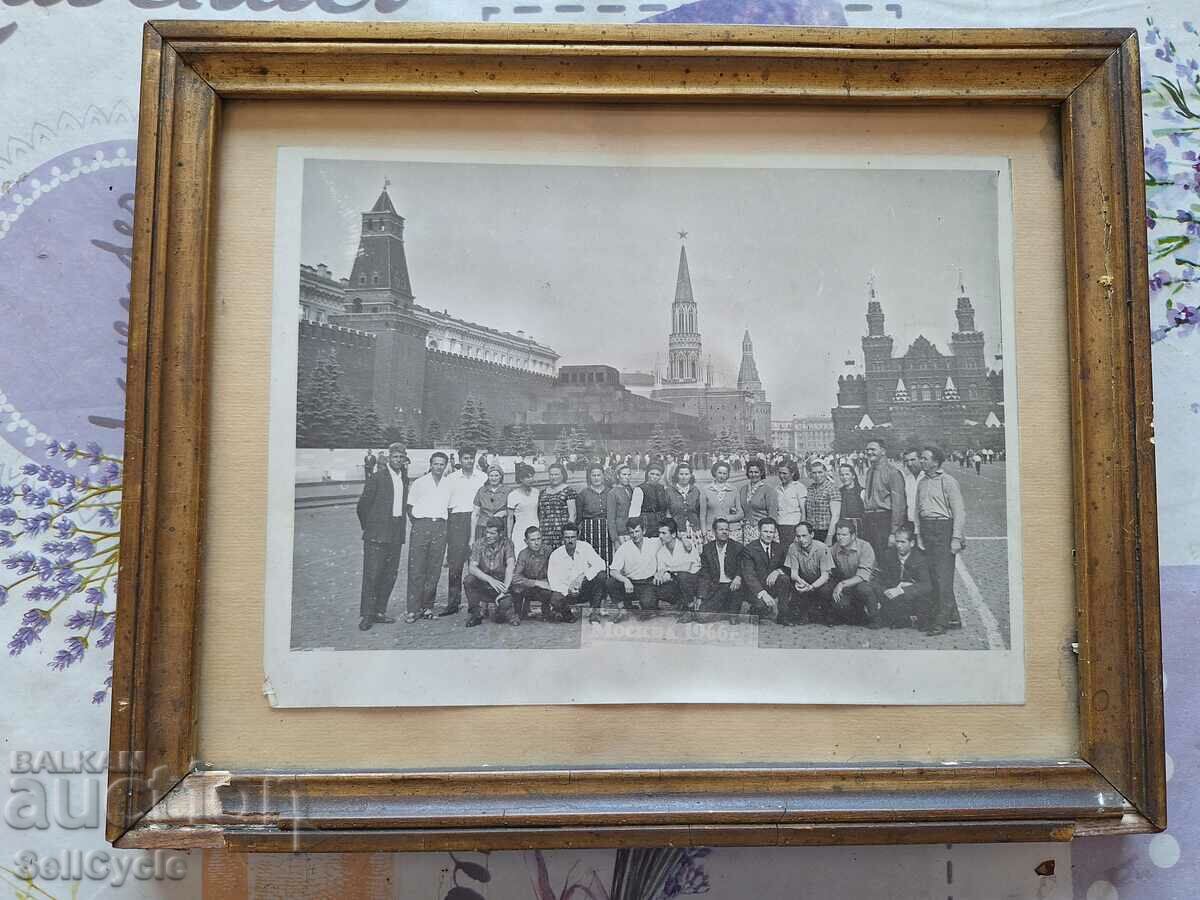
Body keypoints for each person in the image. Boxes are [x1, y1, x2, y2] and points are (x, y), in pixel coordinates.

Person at [355, 442, 409, 632]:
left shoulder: (404, 479)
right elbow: (362, 506)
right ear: (388, 457)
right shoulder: (377, 477)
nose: (398, 460)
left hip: (396, 533)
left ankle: (380, 611)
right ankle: (367, 615)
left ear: (405, 459)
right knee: (372, 574)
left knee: (389, 574)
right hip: (376, 534)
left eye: (401, 457)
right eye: (395, 457)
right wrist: (370, 528)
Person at [915, 445, 967, 635]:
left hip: (943, 529)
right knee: (933, 576)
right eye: (921, 458)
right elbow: (917, 510)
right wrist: (919, 534)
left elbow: (959, 512)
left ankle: (940, 622)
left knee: (943, 577)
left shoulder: (948, 481)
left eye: (925, 458)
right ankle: (953, 618)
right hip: (927, 530)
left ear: (936, 462)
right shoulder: (922, 482)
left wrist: (955, 538)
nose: (921, 461)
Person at [404, 450, 453, 623]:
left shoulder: (449, 484)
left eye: (442, 464)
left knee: (434, 569)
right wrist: (419, 524)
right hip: (421, 526)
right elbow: (409, 507)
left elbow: (450, 508)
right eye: (436, 463)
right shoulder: (419, 483)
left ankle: (427, 607)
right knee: (417, 568)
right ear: (430, 465)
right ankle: (412, 609)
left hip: (440, 527)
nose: (438, 467)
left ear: (445, 466)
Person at [440, 445, 487, 617]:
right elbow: (445, 502)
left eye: (471, 458)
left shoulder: (483, 477)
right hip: (457, 520)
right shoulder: (451, 478)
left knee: (477, 563)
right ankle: (453, 603)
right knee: (455, 564)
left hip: (478, 519)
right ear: (460, 460)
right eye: (466, 458)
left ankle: (476, 604)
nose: (469, 461)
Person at [511, 525, 579, 623]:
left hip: (546, 585)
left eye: (539, 539)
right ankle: (517, 614)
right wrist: (535, 582)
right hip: (528, 587)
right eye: (532, 540)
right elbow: (515, 577)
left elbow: (557, 570)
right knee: (516, 588)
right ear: (526, 541)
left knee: (556, 596)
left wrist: (550, 582)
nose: (536, 543)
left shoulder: (548, 551)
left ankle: (560, 612)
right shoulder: (523, 554)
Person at [871, 524, 934, 630]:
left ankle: (911, 618)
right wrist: (885, 590)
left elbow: (927, 585)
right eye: (897, 541)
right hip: (892, 596)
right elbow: (878, 578)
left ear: (912, 543)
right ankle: (902, 619)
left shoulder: (920, 559)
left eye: (903, 542)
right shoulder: (888, 555)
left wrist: (902, 590)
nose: (899, 545)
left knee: (924, 605)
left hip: (911, 597)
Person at [548, 521, 608, 623]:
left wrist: (582, 576)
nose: (570, 540)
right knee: (555, 599)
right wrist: (569, 589)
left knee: (601, 576)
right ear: (562, 538)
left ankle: (594, 613)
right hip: (567, 593)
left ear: (577, 537)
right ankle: (566, 612)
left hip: (584, 589)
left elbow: (601, 564)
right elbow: (553, 581)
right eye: (567, 537)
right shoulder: (556, 555)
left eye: (573, 537)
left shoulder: (585, 547)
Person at [463, 518, 517, 627]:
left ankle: (503, 611)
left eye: (492, 533)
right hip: (484, 584)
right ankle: (475, 614)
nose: (488, 535)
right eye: (487, 532)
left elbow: (510, 566)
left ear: (501, 534)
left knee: (501, 615)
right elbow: (472, 568)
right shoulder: (479, 543)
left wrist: (504, 589)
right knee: (469, 580)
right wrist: (490, 579)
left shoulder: (507, 544)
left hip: (500, 586)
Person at [828, 519, 881, 628]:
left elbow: (863, 575)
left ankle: (875, 618)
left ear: (853, 536)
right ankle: (859, 614)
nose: (840, 538)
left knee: (863, 589)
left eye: (844, 534)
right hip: (849, 584)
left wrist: (841, 584)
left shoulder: (865, 547)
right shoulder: (834, 549)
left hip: (868, 582)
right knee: (841, 606)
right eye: (838, 534)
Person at [606, 518, 662, 621]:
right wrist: (626, 580)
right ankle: (623, 609)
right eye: (631, 533)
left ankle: (648, 606)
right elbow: (613, 571)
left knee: (647, 606)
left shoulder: (653, 543)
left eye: (637, 531)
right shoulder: (624, 548)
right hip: (631, 584)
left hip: (647, 584)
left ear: (643, 531)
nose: (634, 535)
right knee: (611, 582)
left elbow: (668, 538)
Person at [862, 439, 907, 560]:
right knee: (872, 559)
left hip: (884, 520)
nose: (869, 452)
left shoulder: (893, 473)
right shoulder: (869, 472)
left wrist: (894, 532)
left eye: (873, 449)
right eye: (867, 450)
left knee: (887, 560)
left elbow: (899, 505)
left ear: (883, 451)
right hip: (869, 520)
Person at [738, 517, 791, 621]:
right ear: (759, 531)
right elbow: (749, 575)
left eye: (771, 532)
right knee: (760, 607)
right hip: (755, 589)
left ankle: (783, 615)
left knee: (784, 578)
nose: (768, 535)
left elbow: (787, 566)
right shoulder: (749, 549)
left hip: (771, 585)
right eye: (765, 531)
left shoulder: (779, 547)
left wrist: (777, 571)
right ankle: (755, 609)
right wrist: (763, 593)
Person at [784, 521, 835, 625]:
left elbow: (825, 576)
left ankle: (827, 614)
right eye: (798, 536)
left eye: (804, 536)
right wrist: (800, 582)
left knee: (825, 591)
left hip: (821, 581)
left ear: (812, 535)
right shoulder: (793, 547)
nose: (801, 540)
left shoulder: (822, 548)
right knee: (795, 592)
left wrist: (811, 587)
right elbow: (794, 573)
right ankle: (804, 614)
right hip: (805, 580)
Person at [654, 518, 701, 620]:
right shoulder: (661, 552)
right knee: (659, 588)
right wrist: (660, 575)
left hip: (695, 579)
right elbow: (662, 572)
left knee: (682, 575)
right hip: (678, 581)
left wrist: (669, 569)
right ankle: (682, 603)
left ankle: (690, 608)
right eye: (659, 533)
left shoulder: (685, 545)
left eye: (664, 533)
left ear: (674, 534)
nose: (660, 536)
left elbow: (687, 567)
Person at [697, 517, 744, 618]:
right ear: (714, 531)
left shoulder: (737, 547)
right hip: (716, 587)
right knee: (702, 616)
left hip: (733, 587)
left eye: (726, 529)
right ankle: (724, 611)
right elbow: (704, 574)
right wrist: (701, 596)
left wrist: (738, 576)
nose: (724, 532)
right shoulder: (707, 549)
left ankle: (731, 613)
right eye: (721, 529)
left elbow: (743, 566)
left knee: (705, 616)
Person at [537, 462, 577, 552]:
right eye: (551, 474)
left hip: (561, 534)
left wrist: (567, 535)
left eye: (556, 474)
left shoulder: (568, 491)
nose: (553, 477)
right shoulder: (543, 492)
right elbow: (540, 513)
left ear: (563, 475)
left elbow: (572, 515)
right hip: (545, 534)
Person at [576, 465, 612, 564]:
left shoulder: (610, 492)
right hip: (589, 531)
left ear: (603, 476)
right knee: (590, 558)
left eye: (598, 475)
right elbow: (579, 518)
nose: (596, 478)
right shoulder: (583, 494)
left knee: (608, 556)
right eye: (593, 475)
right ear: (589, 477)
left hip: (607, 530)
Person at [738, 459, 779, 545]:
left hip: (764, 530)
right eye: (751, 472)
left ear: (761, 473)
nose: (753, 475)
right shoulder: (743, 489)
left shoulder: (768, 490)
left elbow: (772, 514)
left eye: (756, 472)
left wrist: (770, 532)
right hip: (747, 530)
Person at [700, 460, 743, 539]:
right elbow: (702, 515)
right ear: (714, 473)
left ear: (727, 475)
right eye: (719, 473)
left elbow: (740, 513)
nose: (722, 476)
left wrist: (727, 517)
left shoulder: (734, 490)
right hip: (712, 531)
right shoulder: (706, 490)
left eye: (724, 473)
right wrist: (704, 533)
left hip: (731, 530)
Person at [507, 463, 540, 559]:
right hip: (520, 531)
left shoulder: (536, 492)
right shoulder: (513, 495)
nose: (531, 479)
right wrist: (509, 536)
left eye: (532, 476)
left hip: (535, 527)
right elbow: (510, 518)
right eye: (527, 477)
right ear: (521, 479)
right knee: (520, 556)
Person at [804, 459, 840, 543]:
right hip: (811, 532)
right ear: (811, 474)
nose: (817, 475)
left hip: (826, 532)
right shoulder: (810, 488)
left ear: (826, 472)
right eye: (814, 473)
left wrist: (829, 537)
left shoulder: (832, 488)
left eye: (820, 472)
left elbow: (835, 515)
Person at [774, 460, 808, 548]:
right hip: (779, 527)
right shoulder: (777, 489)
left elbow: (803, 512)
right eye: (780, 473)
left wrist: (800, 532)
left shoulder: (799, 487)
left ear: (792, 473)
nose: (781, 476)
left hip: (793, 528)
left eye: (785, 473)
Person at [472, 465, 510, 541]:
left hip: (500, 528)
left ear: (501, 476)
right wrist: (472, 537)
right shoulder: (482, 490)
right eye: (491, 475)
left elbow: (512, 511)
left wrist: (505, 512)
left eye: (496, 475)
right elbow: (475, 513)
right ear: (488, 477)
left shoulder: (507, 491)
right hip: (483, 527)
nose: (494, 478)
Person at [666, 462, 702, 538]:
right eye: (681, 474)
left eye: (686, 474)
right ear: (677, 475)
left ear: (690, 475)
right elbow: (667, 512)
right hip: (676, 530)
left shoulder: (695, 490)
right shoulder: (669, 491)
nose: (684, 477)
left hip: (694, 530)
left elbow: (699, 511)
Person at [606, 464, 636, 548]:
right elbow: (611, 518)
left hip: (632, 531)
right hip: (620, 534)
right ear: (618, 476)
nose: (627, 477)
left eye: (629, 474)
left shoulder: (631, 490)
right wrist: (615, 539)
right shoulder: (613, 493)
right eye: (624, 474)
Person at [637, 463, 670, 536]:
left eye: (657, 475)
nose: (654, 477)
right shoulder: (640, 489)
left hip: (661, 525)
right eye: (652, 474)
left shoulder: (662, 489)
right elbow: (634, 512)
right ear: (647, 474)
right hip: (646, 525)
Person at [836, 462, 865, 537]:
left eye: (847, 474)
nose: (844, 477)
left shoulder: (861, 491)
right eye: (842, 475)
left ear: (853, 476)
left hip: (858, 528)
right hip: (842, 528)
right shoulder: (838, 492)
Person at [901, 447, 924, 530]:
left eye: (913, 460)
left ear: (920, 459)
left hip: (926, 523)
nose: (909, 464)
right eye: (906, 461)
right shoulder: (907, 479)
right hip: (910, 523)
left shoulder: (929, 478)